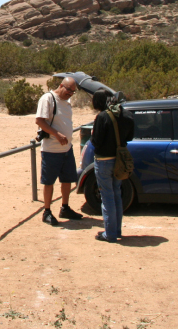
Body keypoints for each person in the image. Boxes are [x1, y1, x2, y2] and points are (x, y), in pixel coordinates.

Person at [35, 76, 83, 226]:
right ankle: (47, 211)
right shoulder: (48, 99)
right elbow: (40, 121)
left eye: (72, 93)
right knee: (49, 181)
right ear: (61, 86)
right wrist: (57, 134)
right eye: (68, 91)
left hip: (66, 149)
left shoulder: (66, 102)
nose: (70, 94)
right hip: (51, 150)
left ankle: (65, 207)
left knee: (67, 179)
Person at [89, 90, 135, 242]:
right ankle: (116, 230)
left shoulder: (102, 117)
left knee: (107, 197)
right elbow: (130, 137)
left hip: (103, 161)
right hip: (120, 161)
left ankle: (110, 233)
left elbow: (96, 142)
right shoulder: (127, 115)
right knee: (116, 195)